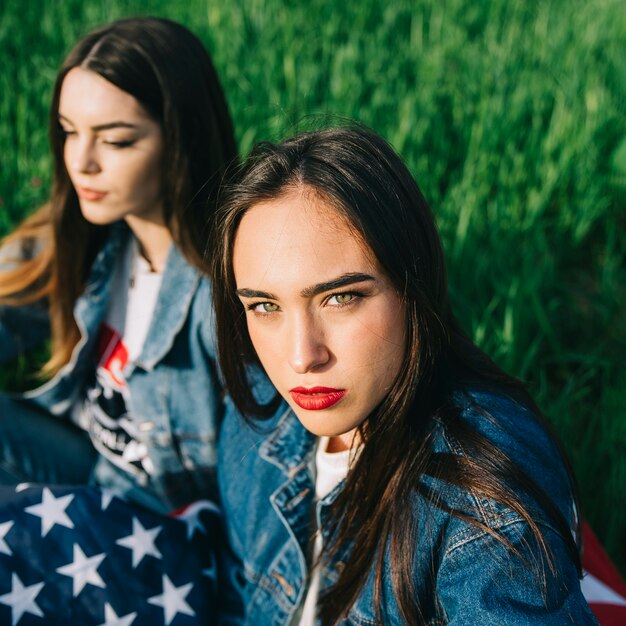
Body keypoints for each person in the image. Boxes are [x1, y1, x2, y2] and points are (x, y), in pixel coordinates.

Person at [210, 125, 598, 624]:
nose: (302, 357)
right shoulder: (258, 421)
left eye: (341, 297)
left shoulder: (479, 505)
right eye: (265, 306)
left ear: (412, 288)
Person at [0, 17, 237, 514]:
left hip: (158, 521)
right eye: (69, 132)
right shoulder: (92, 232)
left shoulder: (224, 295)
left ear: (180, 140)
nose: (81, 161)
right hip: (87, 466)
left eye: (116, 140)